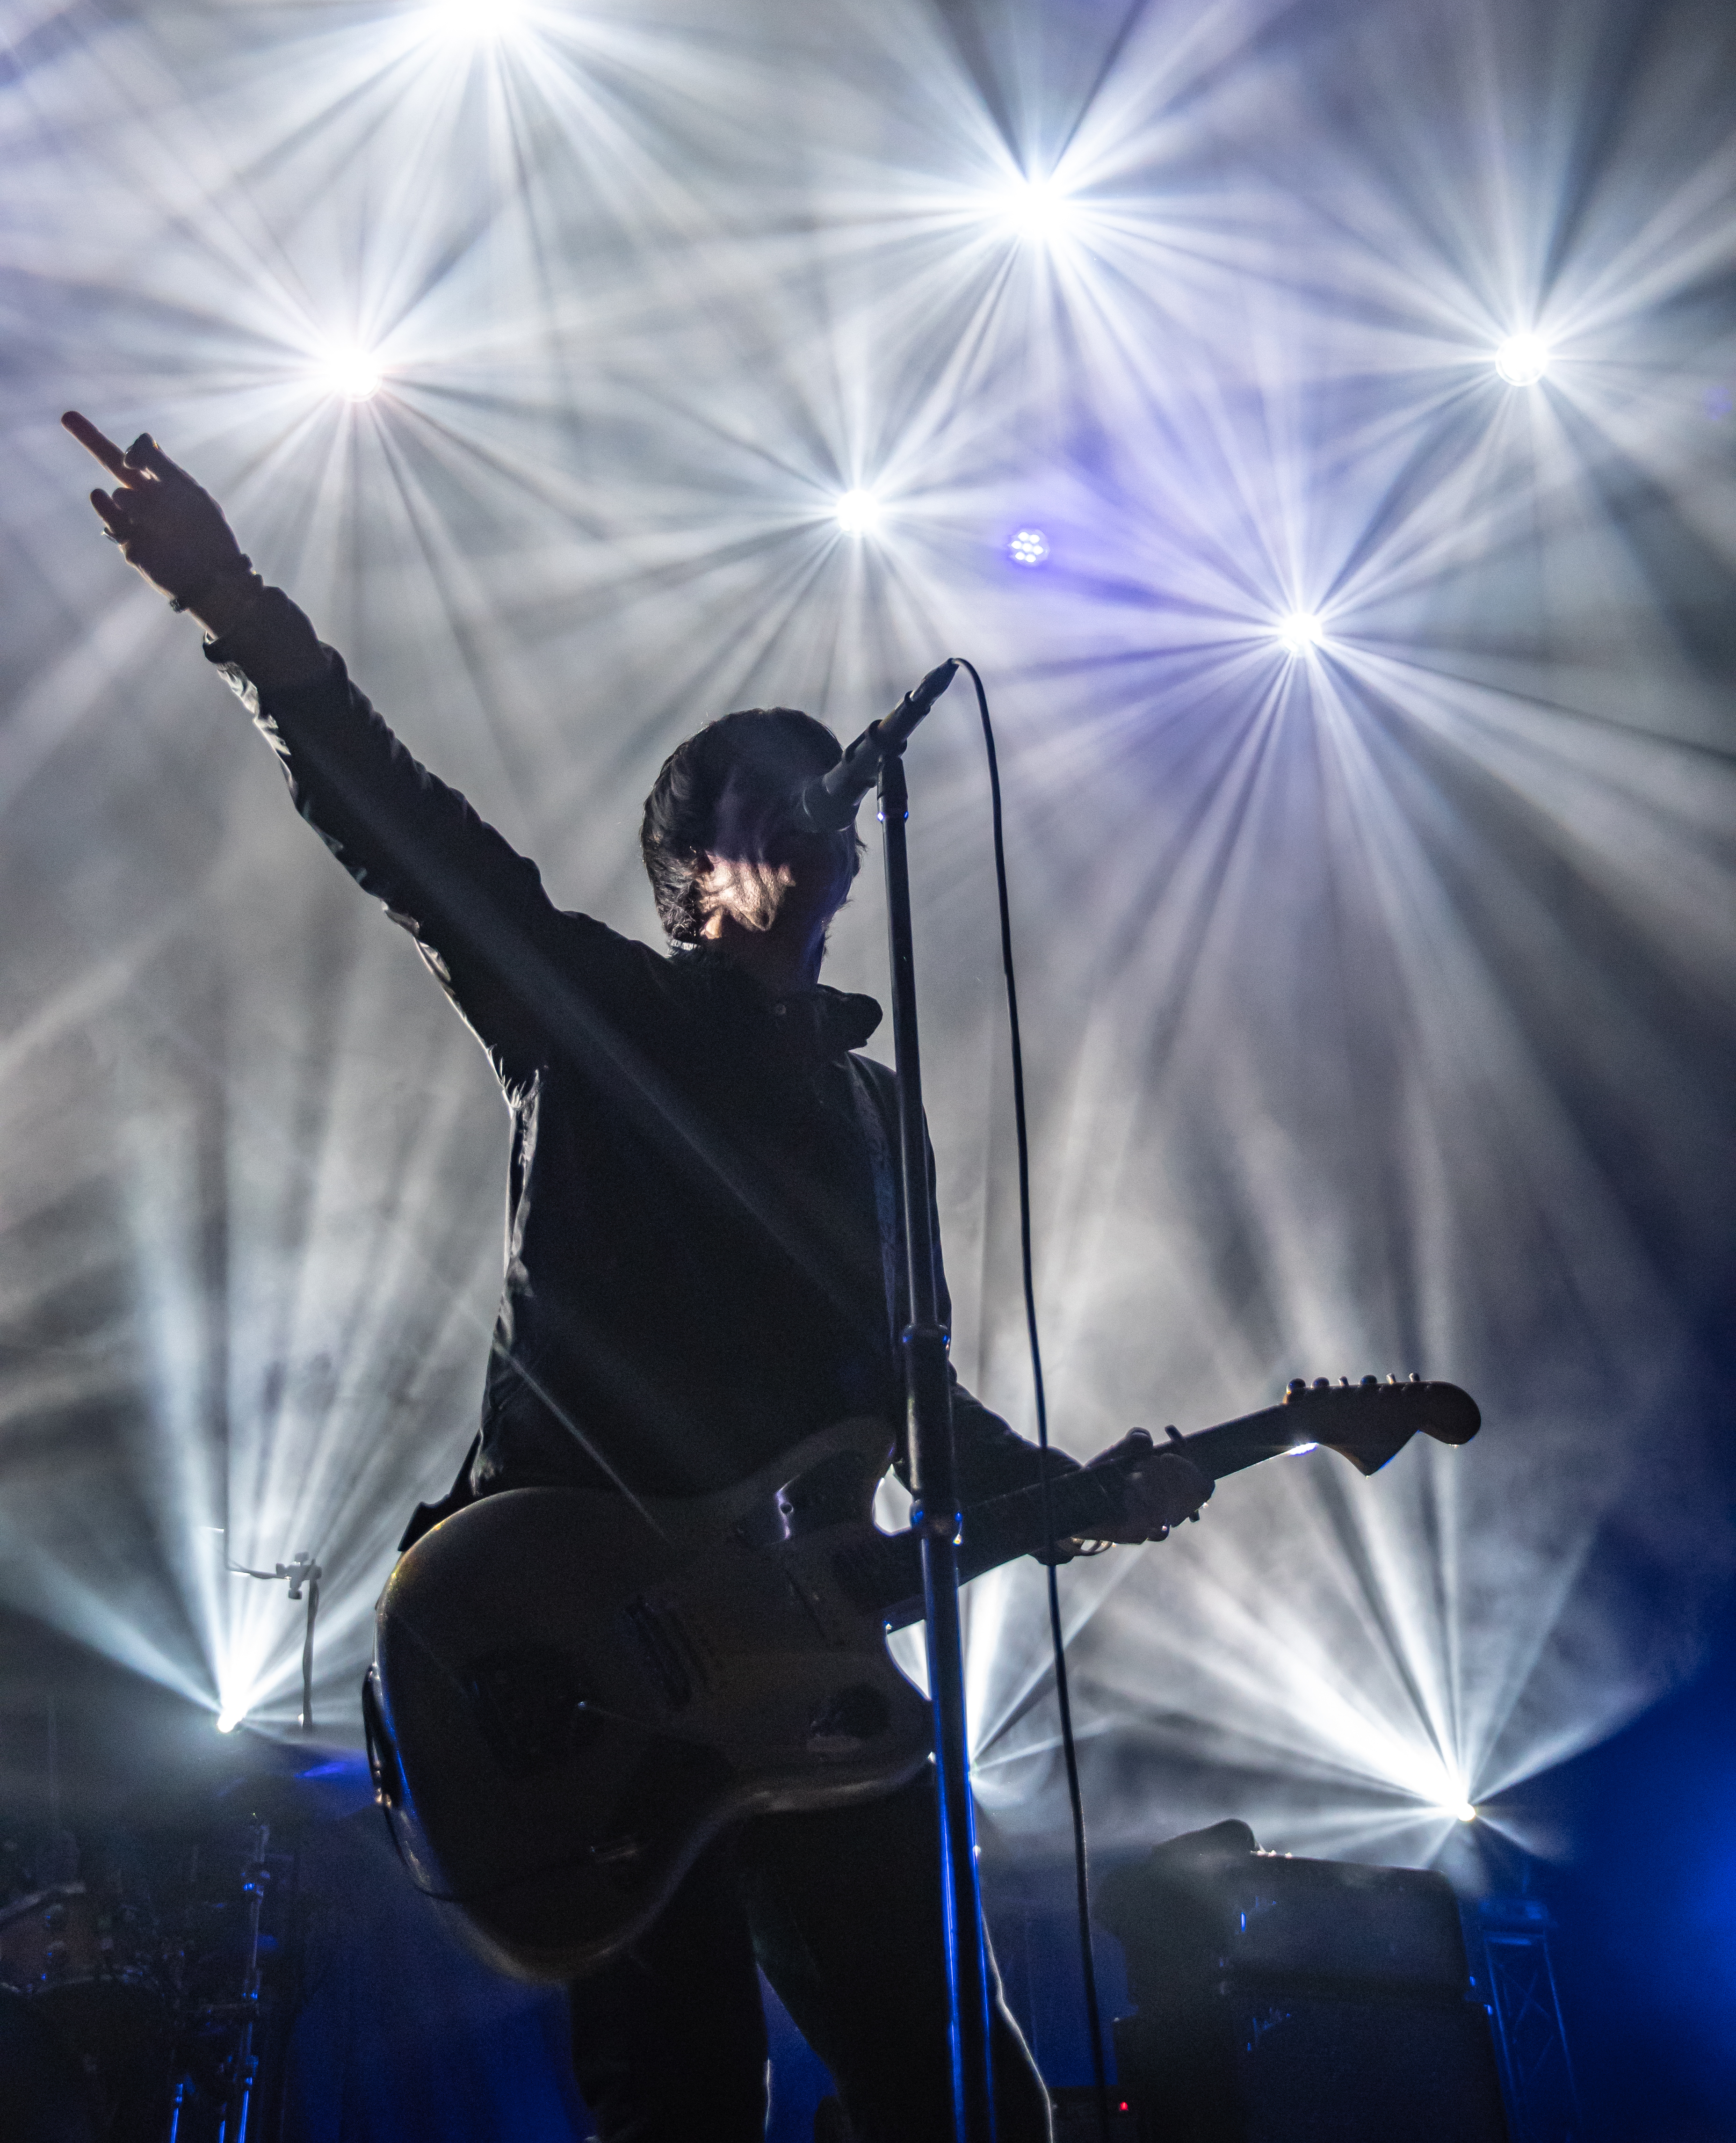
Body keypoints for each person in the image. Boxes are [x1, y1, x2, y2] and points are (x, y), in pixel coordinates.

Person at [64, 414, 1214, 2143]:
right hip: (588, 1643)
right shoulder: (597, 1017)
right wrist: (233, 599)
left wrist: (1095, 1489)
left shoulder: (870, 1109)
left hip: (812, 1677)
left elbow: (908, 1398)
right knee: (680, 2102)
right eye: (762, 800)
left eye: (817, 796)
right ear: (686, 875)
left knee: (969, 2102)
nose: (807, 821)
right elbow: (403, 826)